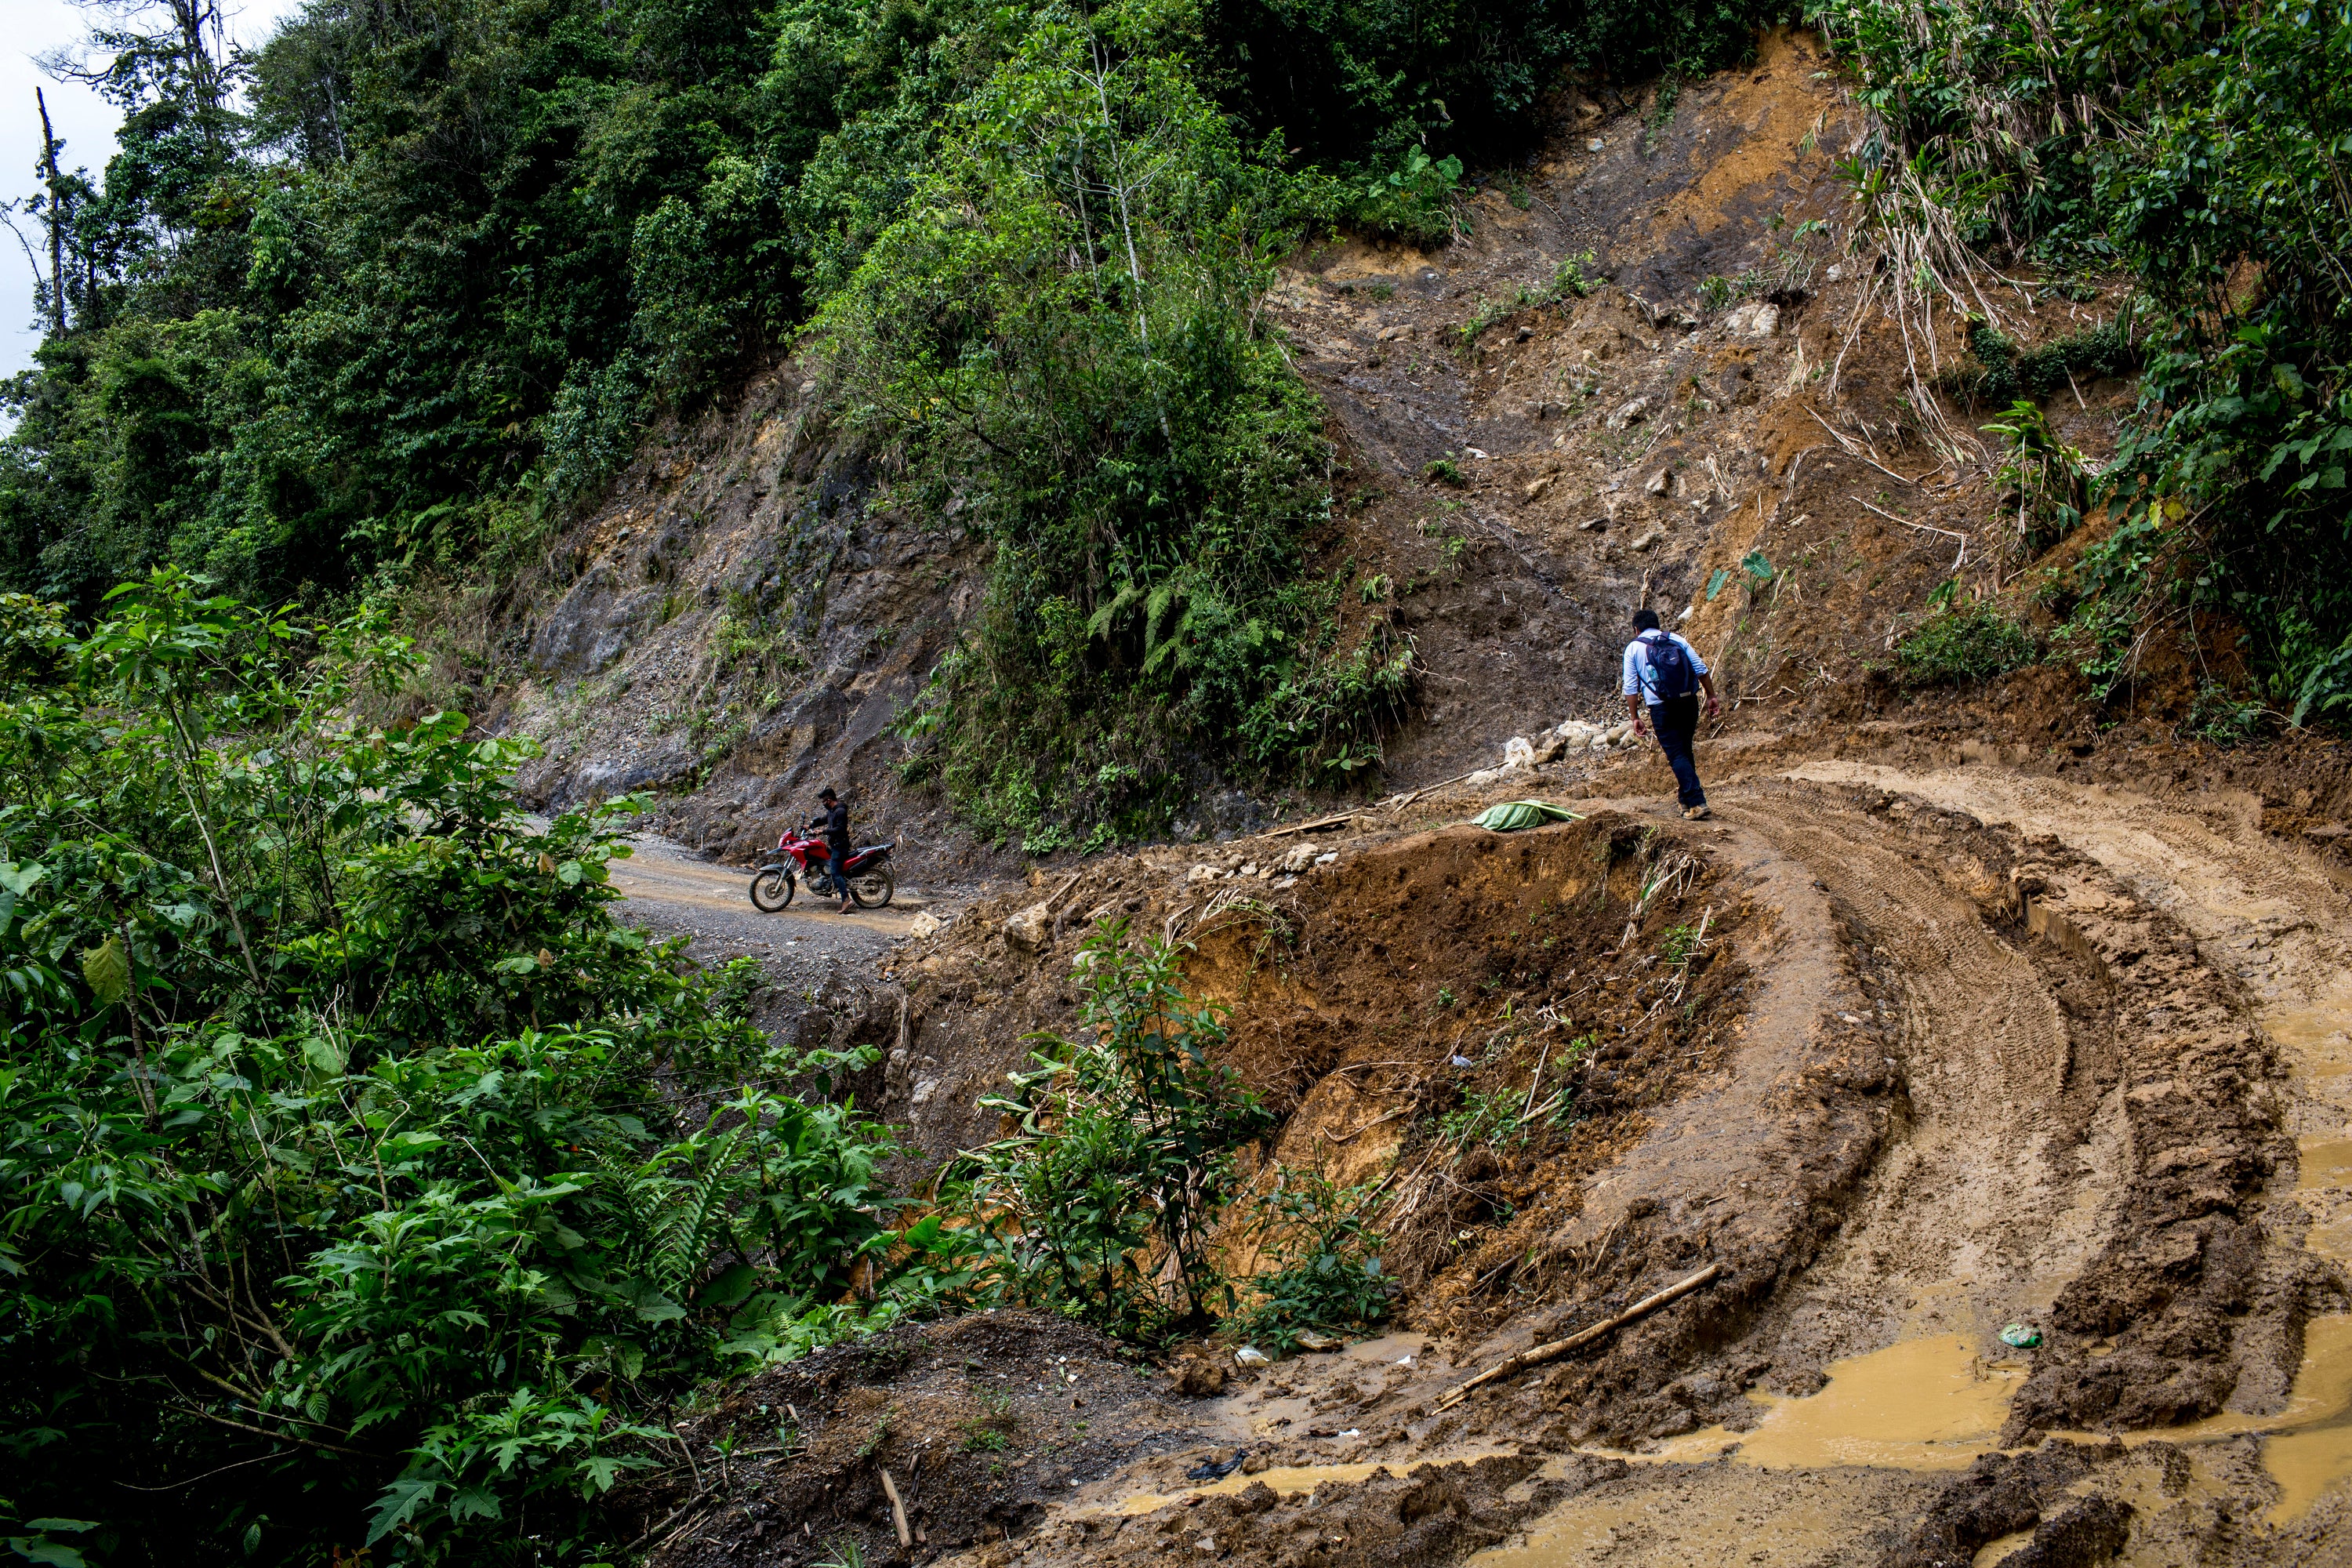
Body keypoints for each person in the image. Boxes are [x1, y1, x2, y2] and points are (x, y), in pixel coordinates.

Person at [1621, 608, 1721, 821]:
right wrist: (1711, 695)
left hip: (1662, 707)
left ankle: (1697, 802)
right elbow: (1700, 668)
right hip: (1689, 701)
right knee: (1684, 750)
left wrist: (1635, 717)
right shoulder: (1675, 638)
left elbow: (1631, 688)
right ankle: (1685, 801)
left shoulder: (1634, 648)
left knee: (1676, 754)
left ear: (1636, 629)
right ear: (1657, 625)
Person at [815, 788, 855, 913]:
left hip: (840, 846)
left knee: (835, 872)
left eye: (824, 801)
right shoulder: (833, 811)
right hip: (836, 845)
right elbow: (823, 819)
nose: (823, 804)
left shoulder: (840, 811)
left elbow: (840, 829)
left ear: (829, 800)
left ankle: (846, 900)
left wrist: (823, 831)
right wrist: (810, 826)